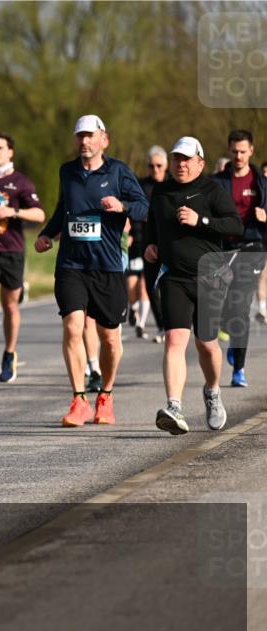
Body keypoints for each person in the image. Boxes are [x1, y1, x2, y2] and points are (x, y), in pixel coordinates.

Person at [34, 115, 147, 427]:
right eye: (79, 137)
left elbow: (144, 208)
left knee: (110, 339)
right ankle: (79, 399)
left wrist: (122, 207)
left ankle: (105, 396)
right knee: (73, 326)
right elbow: (62, 210)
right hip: (71, 265)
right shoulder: (67, 172)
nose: (84, 142)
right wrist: (47, 234)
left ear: (103, 140)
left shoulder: (119, 172)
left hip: (107, 266)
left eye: (89, 136)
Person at [144, 136, 243, 434]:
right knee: (174, 340)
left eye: (187, 159)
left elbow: (235, 226)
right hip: (174, 277)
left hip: (209, 278)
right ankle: (174, 406)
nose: (181, 164)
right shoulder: (161, 192)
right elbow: (151, 225)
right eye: (177, 158)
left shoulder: (212, 190)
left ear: (200, 162)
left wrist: (200, 221)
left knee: (206, 344)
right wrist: (149, 246)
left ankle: (212, 392)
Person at [0, 131, 45, 382]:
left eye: (0, 147)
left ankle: (9, 354)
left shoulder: (20, 182)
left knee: (10, 305)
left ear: (10, 152)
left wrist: (13, 211)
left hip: (12, 250)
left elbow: (39, 215)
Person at [211, 130, 267, 388]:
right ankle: (234, 339)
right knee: (222, 303)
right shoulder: (217, 181)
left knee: (241, 307)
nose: (238, 156)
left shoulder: (261, 183)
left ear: (251, 151)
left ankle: (239, 369)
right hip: (223, 249)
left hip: (252, 248)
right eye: (234, 151)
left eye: (243, 151)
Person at [137, 145, 170, 344]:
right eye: (151, 166)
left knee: (171, 286)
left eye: (159, 165)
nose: (155, 169)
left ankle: (175, 323)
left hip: (171, 244)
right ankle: (162, 325)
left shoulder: (174, 184)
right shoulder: (141, 186)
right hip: (147, 244)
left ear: (166, 166)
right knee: (151, 287)